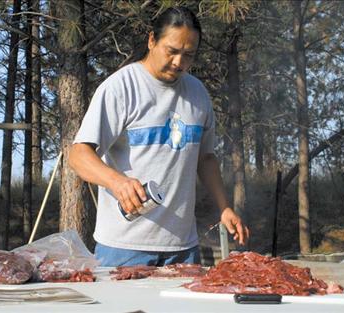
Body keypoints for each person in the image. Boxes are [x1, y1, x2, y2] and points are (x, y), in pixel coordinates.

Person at [69, 6, 249, 266]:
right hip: (124, 247)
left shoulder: (198, 94)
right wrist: (117, 182)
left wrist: (224, 207)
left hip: (184, 248)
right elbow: (78, 155)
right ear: (152, 40)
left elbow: (205, 159)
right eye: (172, 51)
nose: (179, 62)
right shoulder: (121, 87)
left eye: (189, 55)